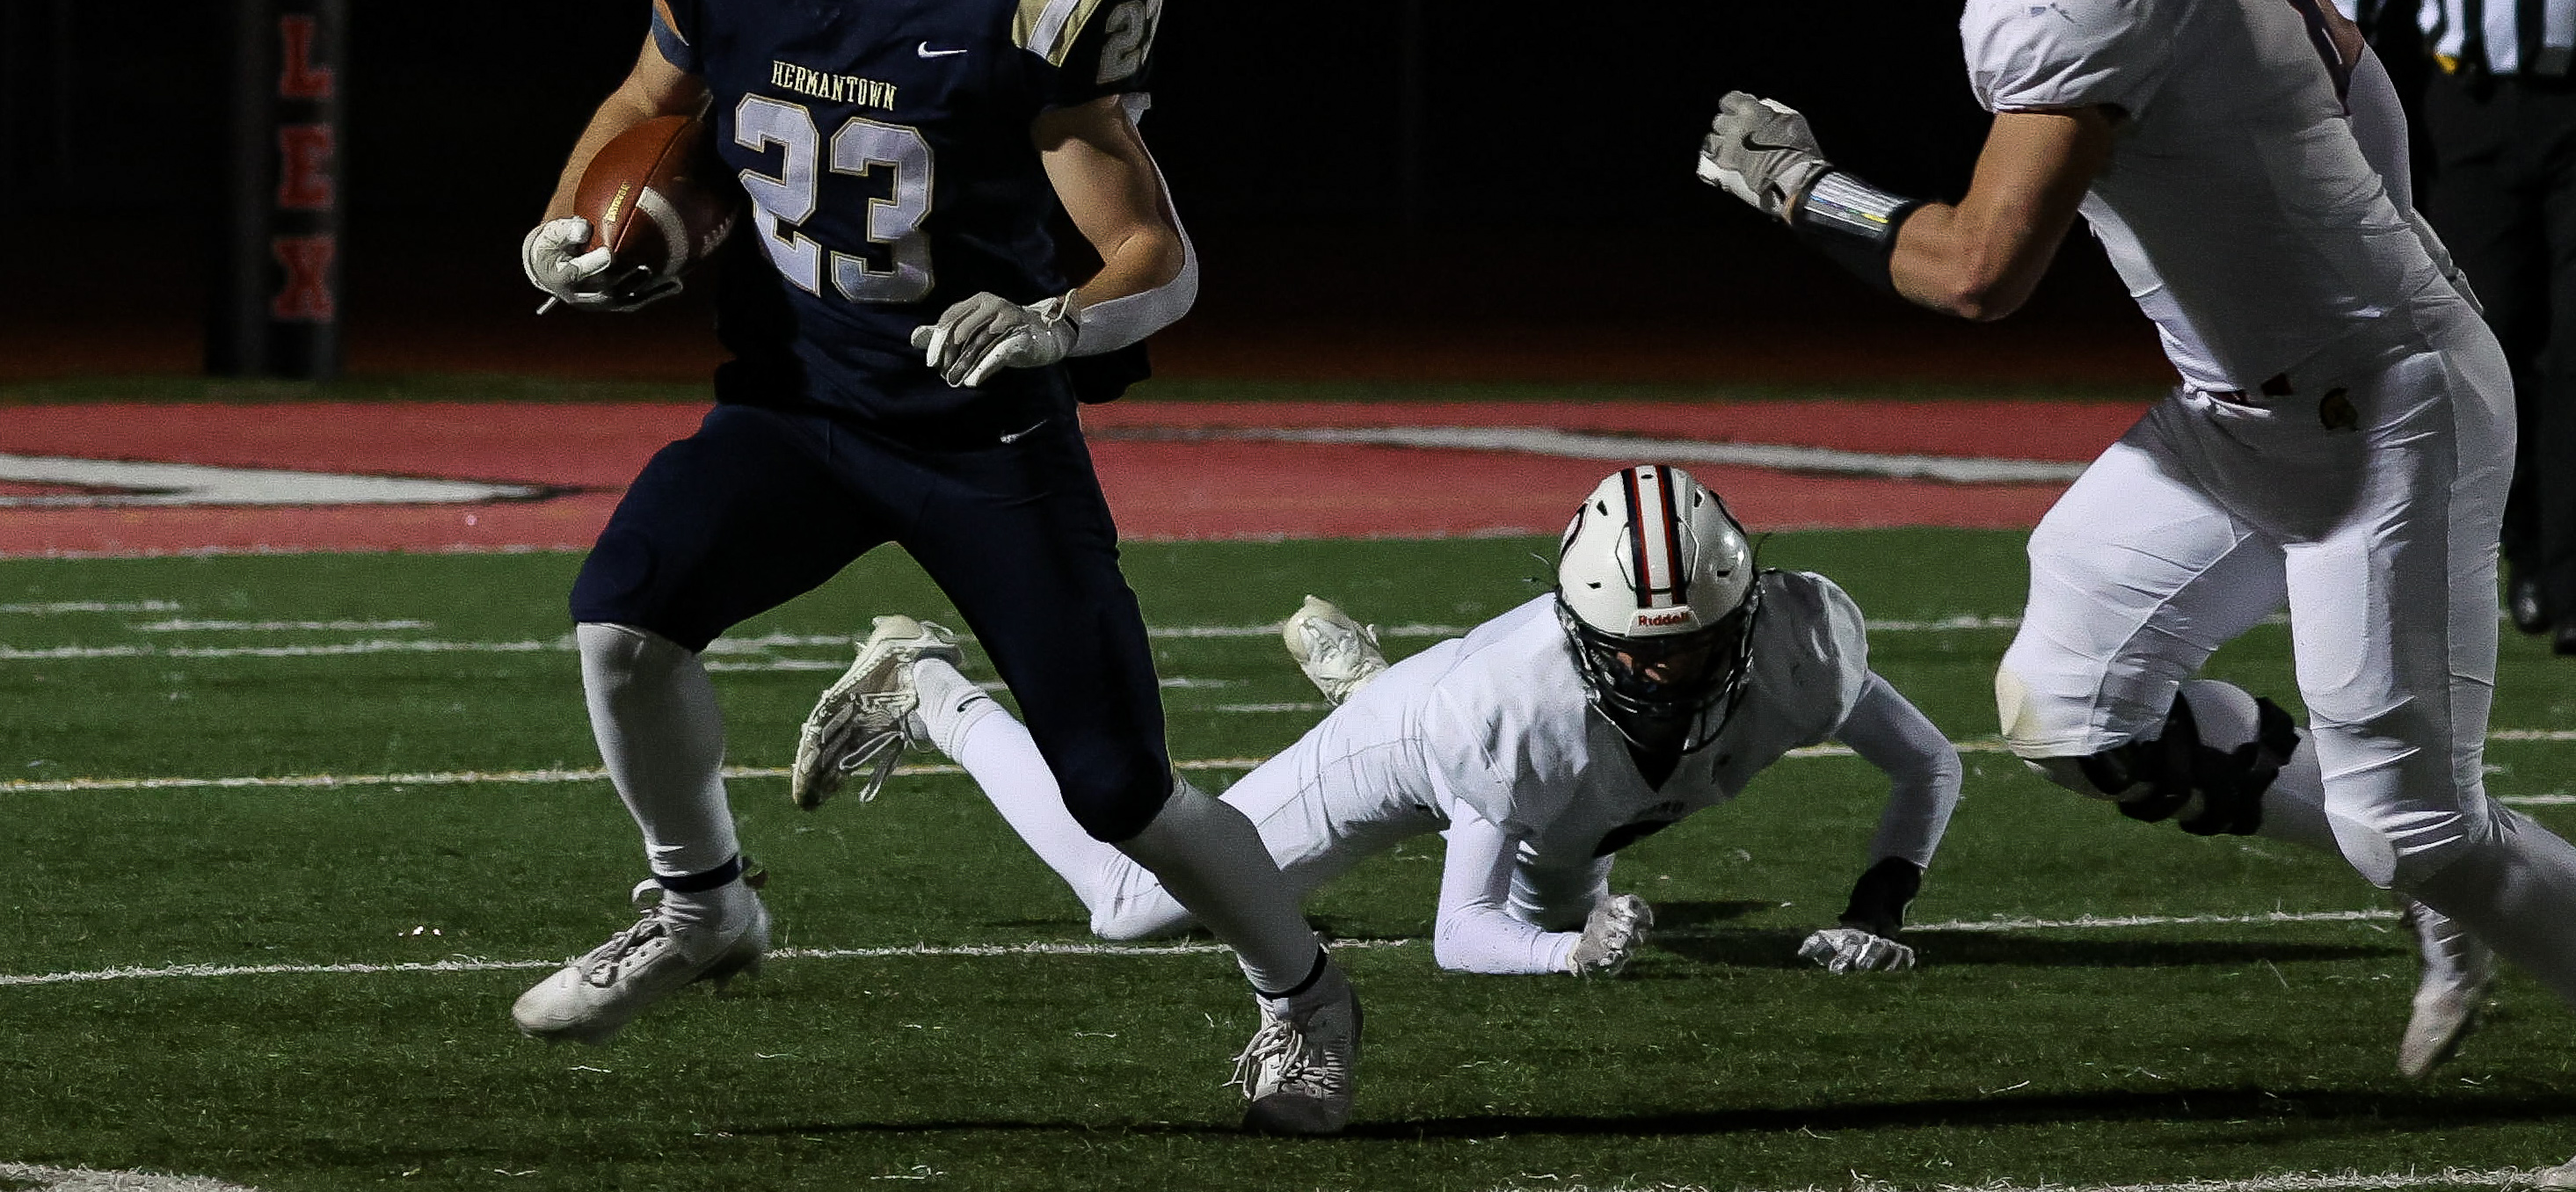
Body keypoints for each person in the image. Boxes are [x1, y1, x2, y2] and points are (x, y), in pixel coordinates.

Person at [1694, 0, 2576, 1179]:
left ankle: (2441, 867)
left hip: (2380, 416)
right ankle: (2428, 868)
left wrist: (1801, 189)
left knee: (2417, 826)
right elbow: (2360, 85)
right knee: (2074, 694)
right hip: (2260, 404)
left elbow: (1980, 271)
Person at [508, 0, 1358, 1135]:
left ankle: (1305, 993)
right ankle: (703, 901)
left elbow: (1154, 256)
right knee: (624, 617)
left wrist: (1050, 326)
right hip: (795, 401)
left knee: (1118, 788)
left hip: (982, 431)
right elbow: (657, 105)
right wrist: (573, 224)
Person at [791, 466, 1961, 981]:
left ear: (1747, 612)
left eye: (1692, 645)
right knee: (1128, 901)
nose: (1664, 673)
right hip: (1442, 742)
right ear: (1581, 628)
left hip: (1553, 796)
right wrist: (1567, 954)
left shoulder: (1805, 646)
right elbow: (1464, 936)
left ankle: (1373, 685)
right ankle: (925, 685)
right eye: (1636, 648)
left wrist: (1877, 908)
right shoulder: (1515, 708)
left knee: (1567, 875)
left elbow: (1927, 766)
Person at [2326, 0, 2576, 651]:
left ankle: (2564, 586)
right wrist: (2325, 79)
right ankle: (2518, 553)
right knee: (2488, 343)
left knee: (2575, 352)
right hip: (2471, 104)